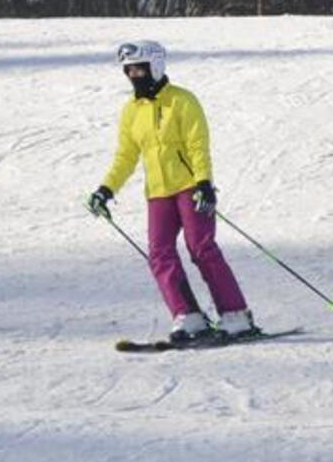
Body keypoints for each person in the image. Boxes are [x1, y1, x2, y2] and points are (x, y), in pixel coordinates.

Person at [86, 39, 259, 344]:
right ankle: (188, 316)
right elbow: (126, 156)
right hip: (158, 192)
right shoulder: (132, 111)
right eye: (129, 71)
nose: (134, 76)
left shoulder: (182, 101)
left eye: (139, 69)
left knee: (201, 248)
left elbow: (197, 145)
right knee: (159, 253)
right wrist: (106, 189)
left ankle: (235, 315)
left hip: (190, 187)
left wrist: (204, 183)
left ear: (155, 66)